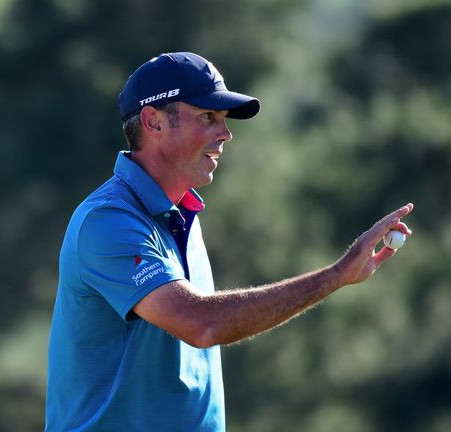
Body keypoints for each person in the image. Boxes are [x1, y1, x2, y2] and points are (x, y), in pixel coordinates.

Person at [45, 52, 413, 431]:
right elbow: (201, 323)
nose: (225, 134)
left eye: (222, 120)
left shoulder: (184, 214)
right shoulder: (108, 221)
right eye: (208, 117)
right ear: (153, 122)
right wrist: (336, 275)